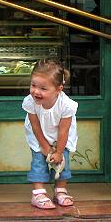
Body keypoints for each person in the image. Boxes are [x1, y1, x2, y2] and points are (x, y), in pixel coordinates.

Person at [22, 58, 78, 209]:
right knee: (39, 162)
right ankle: (38, 193)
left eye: (43, 88)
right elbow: (35, 125)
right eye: (33, 85)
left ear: (59, 89)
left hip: (61, 138)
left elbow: (64, 130)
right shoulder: (30, 102)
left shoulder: (66, 105)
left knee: (61, 163)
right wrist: (44, 146)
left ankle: (60, 190)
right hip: (39, 136)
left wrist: (59, 151)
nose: (36, 91)